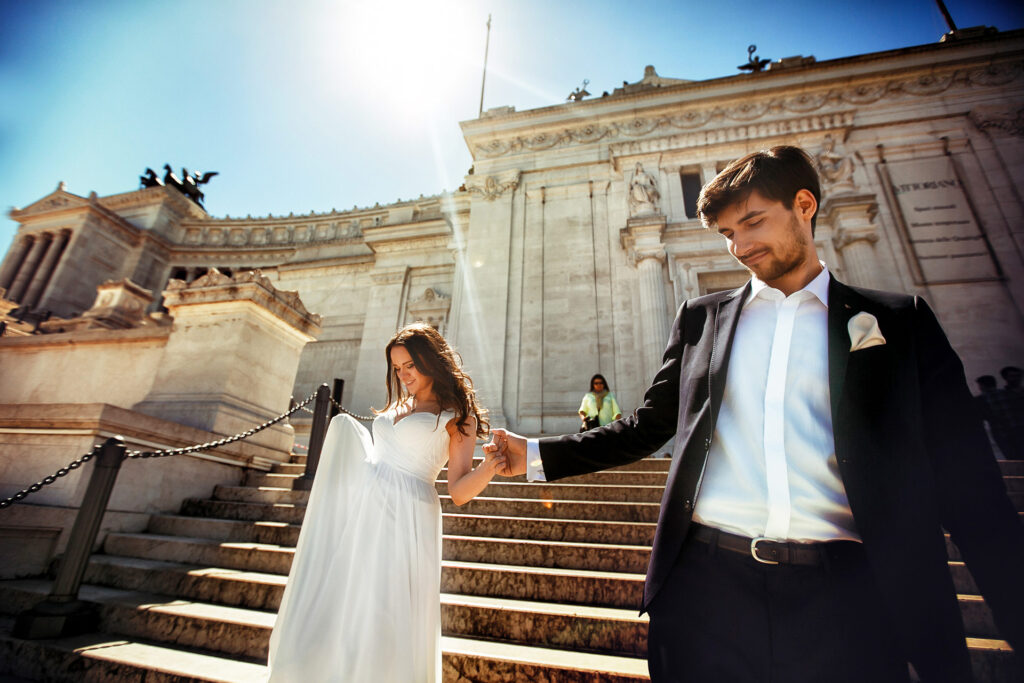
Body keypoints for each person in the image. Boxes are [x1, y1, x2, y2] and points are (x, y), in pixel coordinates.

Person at [485, 146, 1024, 682]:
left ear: (804, 205)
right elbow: (649, 426)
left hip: (850, 601)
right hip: (709, 595)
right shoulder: (702, 319)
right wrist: (532, 453)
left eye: (753, 222)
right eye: (726, 234)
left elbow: (972, 492)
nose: (740, 246)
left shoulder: (897, 322)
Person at [267, 322, 502, 682]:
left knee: (386, 609)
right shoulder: (401, 403)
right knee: (350, 601)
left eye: (411, 365)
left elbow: (457, 490)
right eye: (397, 368)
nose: (404, 374)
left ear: (431, 361)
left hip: (407, 514)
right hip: (366, 511)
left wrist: (488, 468)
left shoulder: (457, 416)